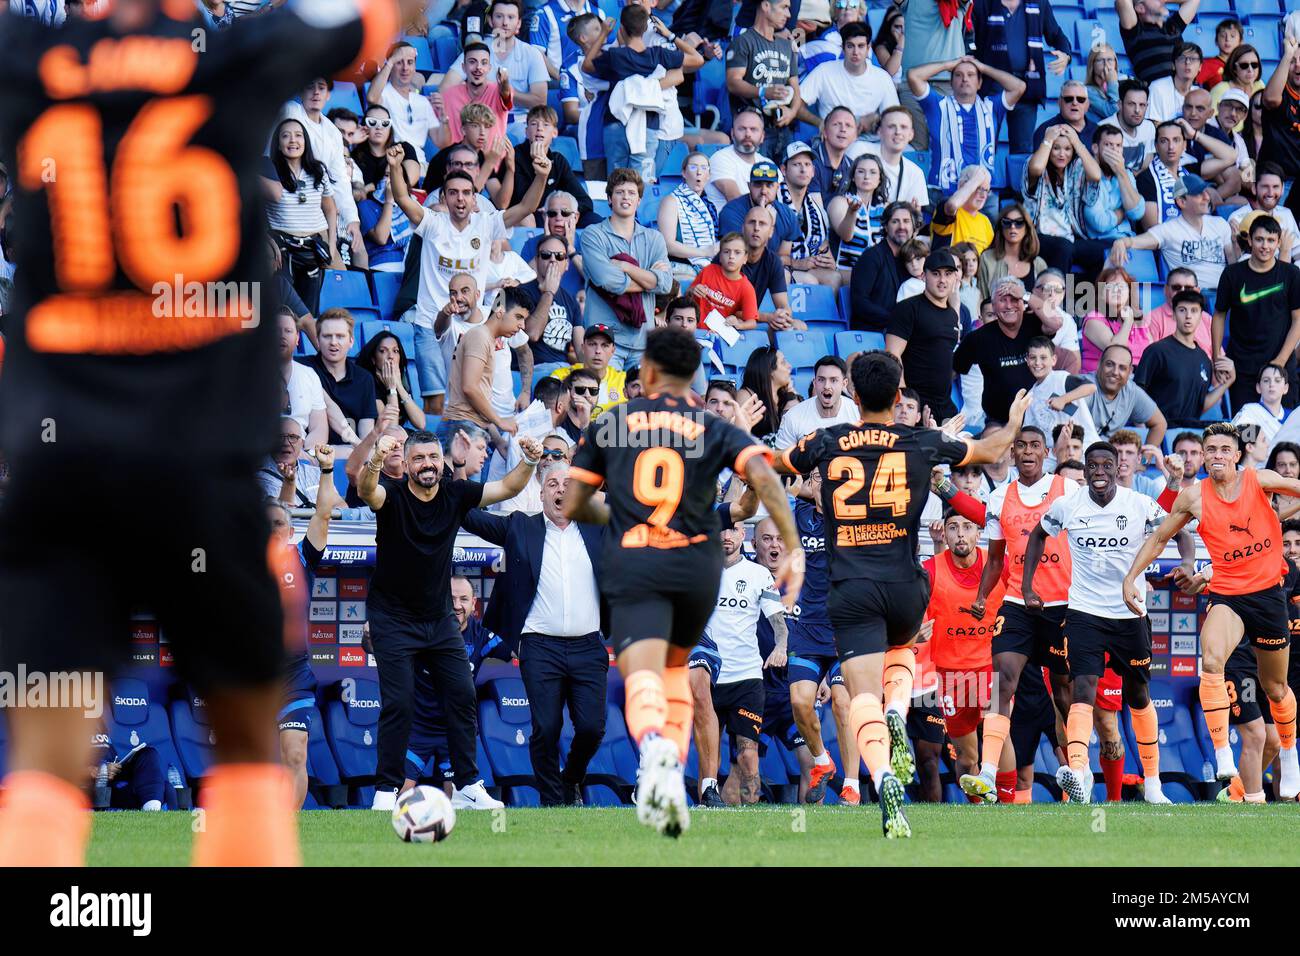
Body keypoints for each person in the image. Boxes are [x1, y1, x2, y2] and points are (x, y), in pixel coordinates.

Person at [0, 0, 398, 869]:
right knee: (252, 738)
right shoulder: (235, 52)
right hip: (200, 460)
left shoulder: (28, 56)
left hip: (61, 462)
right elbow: (377, 20)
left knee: (45, 760)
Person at [776, 351, 1033, 837]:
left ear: (853, 394)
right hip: (905, 583)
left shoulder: (825, 440)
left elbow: (770, 462)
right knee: (899, 657)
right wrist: (1015, 420)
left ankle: (885, 776)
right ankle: (899, 708)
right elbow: (992, 450)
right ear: (898, 398)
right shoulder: (921, 441)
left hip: (850, 587)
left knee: (860, 697)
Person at [563, 327, 803, 837]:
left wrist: (623, 516)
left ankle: (654, 750)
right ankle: (668, 763)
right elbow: (762, 476)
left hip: (636, 563)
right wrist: (792, 542)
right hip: (696, 570)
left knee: (646, 669)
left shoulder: (611, 423)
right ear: (693, 375)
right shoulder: (709, 426)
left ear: (646, 371)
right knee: (677, 669)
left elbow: (576, 502)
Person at [358, 420, 545, 812]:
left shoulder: (455, 494)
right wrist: (376, 457)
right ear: (407, 464)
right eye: (418, 458)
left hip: (438, 616)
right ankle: (387, 790)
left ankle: (467, 785)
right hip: (392, 617)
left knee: (462, 693)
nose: (426, 464)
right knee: (400, 701)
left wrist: (528, 460)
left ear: (443, 463)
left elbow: (508, 488)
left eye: (432, 457)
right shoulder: (391, 495)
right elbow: (365, 490)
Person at [1125, 422, 1300, 800]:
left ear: (1237, 455)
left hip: (1268, 597)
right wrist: (1131, 577)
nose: (1218, 455)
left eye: (1225, 449)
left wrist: (1282, 514)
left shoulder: (1260, 479)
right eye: (1212, 449)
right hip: (1227, 594)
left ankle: (1289, 752)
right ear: (1203, 456)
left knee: (1275, 687)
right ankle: (1223, 754)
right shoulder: (1193, 497)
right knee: (1211, 659)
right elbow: (1159, 537)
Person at [1029, 440, 1192, 803]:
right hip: (1084, 611)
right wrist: (1027, 586)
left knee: (1138, 694)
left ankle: (1153, 784)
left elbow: (1179, 531)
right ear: (1085, 470)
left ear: (1118, 467)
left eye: (1106, 465)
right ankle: (1080, 773)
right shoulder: (1068, 505)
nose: (1099, 472)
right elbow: (1038, 535)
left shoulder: (1137, 504)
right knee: (1082, 689)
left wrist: (1186, 563)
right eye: (1093, 466)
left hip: (1129, 612)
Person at [460, 463, 608, 806]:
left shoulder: (599, 529)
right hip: (540, 646)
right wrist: (455, 477)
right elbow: (468, 516)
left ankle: (571, 778)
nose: (560, 490)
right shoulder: (520, 527)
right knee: (546, 726)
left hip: (588, 645)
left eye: (567, 484)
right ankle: (553, 800)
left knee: (591, 728)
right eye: (552, 483)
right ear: (540, 493)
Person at [959, 425, 1075, 800]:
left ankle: (1077, 771)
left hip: (1061, 604)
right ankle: (989, 772)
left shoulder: (1067, 491)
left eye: (1034, 446)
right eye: (1020, 445)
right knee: (1002, 680)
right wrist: (981, 596)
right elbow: (995, 559)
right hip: (1017, 603)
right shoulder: (999, 498)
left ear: (1046, 453)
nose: (1027, 451)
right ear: (1011, 454)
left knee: (1064, 691)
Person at [689, 521, 787, 806]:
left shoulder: (759, 575)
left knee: (747, 754)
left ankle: (749, 814)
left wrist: (781, 646)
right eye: (720, 529)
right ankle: (708, 808)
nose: (726, 536)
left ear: (743, 533)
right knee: (709, 753)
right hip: (708, 675)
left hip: (747, 676)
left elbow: (779, 624)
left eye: (732, 529)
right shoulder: (699, 571)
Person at [266, 445, 340, 809]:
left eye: (278, 523)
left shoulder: (301, 557)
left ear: (290, 529)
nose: (270, 529)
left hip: (294, 673)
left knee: (295, 754)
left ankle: (288, 828)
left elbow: (324, 513)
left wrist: (327, 470)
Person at [402, 575, 513, 796]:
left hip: (455, 731)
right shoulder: (423, 630)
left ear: (474, 604)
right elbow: (373, 647)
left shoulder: (481, 636)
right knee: (401, 792)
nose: (457, 605)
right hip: (418, 728)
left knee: (456, 796)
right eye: (451, 598)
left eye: (463, 599)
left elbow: (515, 651)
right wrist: (368, 637)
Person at [923, 508, 1005, 789]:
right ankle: (979, 809)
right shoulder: (930, 571)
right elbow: (905, 614)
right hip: (950, 675)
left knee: (998, 731)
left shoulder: (999, 565)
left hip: (991, 667)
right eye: (954, 527)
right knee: (969, 759)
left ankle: (1011, 803)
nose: (961, 534)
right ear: (943, 534)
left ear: (980, 533)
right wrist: (914, 632)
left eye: (968, 527)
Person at [583, 6, 697, 183]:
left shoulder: (616, 56)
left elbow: (587, 65)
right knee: (641, 185)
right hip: (648, 126)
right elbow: (697, 59)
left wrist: (604, 33)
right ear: (645, 29)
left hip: (616, 123)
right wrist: (669, 35)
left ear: (622, 28)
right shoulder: (659, 54)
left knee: (616, 184)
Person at [579, 167, 673, 369]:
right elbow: (607, 280)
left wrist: (626, 268)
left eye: (632, 193)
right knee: (606, 401)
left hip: (642, 341)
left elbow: (666, 285)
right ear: (610, 199)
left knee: (636, 401)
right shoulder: (592, 235)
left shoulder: (654, 238)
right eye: (619, 192)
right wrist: (650, 280)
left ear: (639, 201)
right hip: (603, 341)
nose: (625, 197)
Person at [908, 55, 1025, 209]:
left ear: (979, 83)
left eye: (971, 75)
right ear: (951, 82)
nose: (964, 79)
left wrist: (983, 67)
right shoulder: (937, 105)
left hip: (982, 195)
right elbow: (913, 76)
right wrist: (947, 64)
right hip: (943, 193)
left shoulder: (992, 107)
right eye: (958, 75)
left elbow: (1019, 86)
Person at [1213, 214, 1300, 413]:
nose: (1265, 246)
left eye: (1271, 241)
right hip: (1242, 369)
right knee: (1247, 433)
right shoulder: (1232, 274)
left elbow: (1298, 320)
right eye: (1259, 239)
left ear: (1278, 243)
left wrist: (1280, 360)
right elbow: (1219, 315)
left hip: (1281, 367)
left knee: (1282, 433)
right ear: (1250, 240)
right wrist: (1216, 355)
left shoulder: (1291, 274)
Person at [954, 276, 1060, 425]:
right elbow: (954, 369)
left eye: (1015, 299)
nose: (1009, 306)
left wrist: (1025, 294)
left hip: (1039, 418)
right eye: (1003, 300)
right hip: (998, 422)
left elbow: (1056, 322)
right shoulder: (978, 338)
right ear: (993, 305)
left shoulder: (1035, 323)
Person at [970, 0, 1073, 154]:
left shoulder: (1039, 3)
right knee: (985, 147)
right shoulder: (983, 3)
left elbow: (1056, 34)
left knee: (1022, 152)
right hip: (991, 86)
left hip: (1028, 86)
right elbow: (969, 37)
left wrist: (1065, 54)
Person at [1111, 173, 1235, 298]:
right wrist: (1121, 242)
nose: (1207, 197)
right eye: (1199, 194)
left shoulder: (1220, 223)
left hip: (1227, 294)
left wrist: (1236, 242)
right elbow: (1136, 241)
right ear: (1182, 201)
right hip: (1194, 299)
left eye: (1206, 192)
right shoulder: (1169, 230)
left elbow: (1233, 262)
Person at [442, 0, 550, 141]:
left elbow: (540, 101)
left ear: (519, 24)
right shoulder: (476, 51)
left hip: (518, 123)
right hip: (482, 122)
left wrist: (503, 93)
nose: (505, 23)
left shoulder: (532, 54)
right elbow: (445, 88)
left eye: (511, 17)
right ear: (490, 21)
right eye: (499, 16)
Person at [263, 117, 340, 315]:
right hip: (283, 245)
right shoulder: (270, 170)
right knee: (285, 305)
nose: (293, 141)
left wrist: (331, 244)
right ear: (278, 144)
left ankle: (304, 345)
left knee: (309, 310)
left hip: (314, 245)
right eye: (286, 136)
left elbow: (330, 208)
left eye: (298, 135)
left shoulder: (318, 170)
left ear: (306, 141)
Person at [1136, 290, 1235, 428]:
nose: (1188, 316)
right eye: (1182, 310)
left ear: (1201, 316)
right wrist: (1145, 432)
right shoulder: (1157, 351)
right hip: (1159, 431)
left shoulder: (1204, 360)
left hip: (1189, 436)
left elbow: (1200, 406)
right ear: (1174, 315)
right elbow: (1136, 394)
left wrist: (1227, 383)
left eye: (1194, 311)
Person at [886, 249, 963, 421]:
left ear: (955, 278)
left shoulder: (952, 314)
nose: (942, 280)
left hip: (945, 406)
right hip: (917, 405)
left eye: (948, 274)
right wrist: (905, 399)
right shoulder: (907, 308)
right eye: (936, 273)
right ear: (923, 276)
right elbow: (892, 354)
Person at [726, 0, 802, 160]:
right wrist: (763, 92)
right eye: (784, 8)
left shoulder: (786, 46)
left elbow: (795, 86)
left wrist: (792, 111)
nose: (788, 14)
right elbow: (733, 83)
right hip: (752, 130)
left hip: (783, 128)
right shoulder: (742, 42)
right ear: (766, 6)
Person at [1024, 123, 1100, 273]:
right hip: (1038, 236)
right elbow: (1037, 168)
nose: (1061, 154)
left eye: (1067, 149)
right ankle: (1057, 294)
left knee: (1098, 253)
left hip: (1070, 237)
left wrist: (1077, 142)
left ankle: (1086, 296)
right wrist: (1048, 139)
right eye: (1056, 148)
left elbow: (1096, 175)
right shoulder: (1035, 162)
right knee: (1063, 248)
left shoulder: (1077, 167)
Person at [796, 21, 898, 129]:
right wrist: (821, 124)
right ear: (843, 48)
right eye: (850, 46)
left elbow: (895, 117)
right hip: (831, 139)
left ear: (868, 48)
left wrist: (876, 118)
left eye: (861, 46)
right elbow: (797, 106)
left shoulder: (882, 77)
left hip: (869, 140)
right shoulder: (824, 71)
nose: (856, 52)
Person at [300, 309, 376, 446]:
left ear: (351, 341)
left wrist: (363, 452)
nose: (333, 342)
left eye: (340, 336)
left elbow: (366, 433)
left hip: (351, 454)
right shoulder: (303, 368)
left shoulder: (364, 378)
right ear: (317, 340)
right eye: (327, 336)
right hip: (310, 453)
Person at [521, 235, 584, 377]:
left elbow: (581, 351)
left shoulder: (571, 301)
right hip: (536, 371)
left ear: (567, 264)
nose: (553, 260)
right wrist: (548, 293)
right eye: (546, 255)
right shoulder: (522, 292)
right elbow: (532, 334)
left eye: (560, 256)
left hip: (565, 371)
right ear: (536, 261)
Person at [849, 201, 918, 330]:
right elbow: (859, 303)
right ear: (886, 227)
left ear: (913, 227)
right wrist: (896, 319)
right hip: (872, 333)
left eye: (906, 221)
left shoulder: (913, 262)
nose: (901, 226)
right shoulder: (871, 256)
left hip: (902, 333)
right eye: (895, 221)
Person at [782, 143, 841, 288]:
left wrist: (828, 262)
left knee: (834, 277)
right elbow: (762, 254)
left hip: (805, 266)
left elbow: (823, 247)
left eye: (807, 164)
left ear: (813, 171)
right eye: (796, 164)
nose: (803, 169)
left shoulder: (816, 209)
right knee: (809, 281)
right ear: (784, 170)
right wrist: (796, 263)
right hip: (778, 269)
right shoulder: (774, 202)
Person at [856, 105, 932, 216]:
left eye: (903, 127)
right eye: (891, 126)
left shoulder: (915, 173)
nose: (898, 132)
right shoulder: (859, 150)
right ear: (879, 131)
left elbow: (914, 221)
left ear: (911, 135)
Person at [1084, 343, 1167, 445]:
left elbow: (1160, 424)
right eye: (1109, 364)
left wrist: (1144, 460)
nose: (1115, 372)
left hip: (1109, 456)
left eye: (1122, 368)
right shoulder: (1084, 385)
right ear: (1099, 364)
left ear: (1130, 371)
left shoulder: (1131, 391)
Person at [1081, 124, 1148, 246]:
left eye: (1118, 146)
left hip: (1127, 241)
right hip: (1099, 244)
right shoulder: (1088, 174)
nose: (1114, 150)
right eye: (1108, 145)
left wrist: (1121, 173)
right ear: (1095, 148)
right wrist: (1123, 212)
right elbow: (1100, 223)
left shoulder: (1126, 173)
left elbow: (1137, 213)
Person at [659, 150, 720, 279]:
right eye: (693, 167)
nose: (699, 172)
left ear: (708, 175)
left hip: (707, 267)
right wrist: (704, 252)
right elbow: (668, 245)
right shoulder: (671, 201)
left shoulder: (709, 206)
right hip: (680, 267)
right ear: (684, 173)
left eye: (704, 168)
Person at [774, 355, 858, 448]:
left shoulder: (857, 412)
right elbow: (779, 458)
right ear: (814, 382)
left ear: (844, 384)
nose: (826, 386)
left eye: (833, 380)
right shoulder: (793, 416)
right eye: (821, 380)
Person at [828, 154, 889, 276]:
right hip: (847, 271)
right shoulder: (839, 202)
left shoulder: (885, 207)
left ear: (880, 179)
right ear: (853, 177)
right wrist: (852, 212)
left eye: (873, 172)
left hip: (879, 272)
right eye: (861, 172)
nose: (867, 177)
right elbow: (846, 236)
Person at [1259, 36, 1300, 213]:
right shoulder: (1280, 93)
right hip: (1278, 182)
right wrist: (1287, 55)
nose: (1298, 66)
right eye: (1292, 62)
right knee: (1274, 230)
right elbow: (1269, 99)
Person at [704, 108, 776, 209]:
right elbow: (736, 201)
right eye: (742, 129)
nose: (748, 134)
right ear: (732, 133)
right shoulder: (720, 159)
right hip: (731, 223)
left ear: (762, 136)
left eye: (753, 129)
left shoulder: (768, 164)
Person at [1081, 267, 1149, 372]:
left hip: (1137, 377)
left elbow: (1152, 351)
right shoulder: (1093, 318)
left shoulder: (1140, 318)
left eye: (1122, 286)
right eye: (1111, 286)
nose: (1116, 290)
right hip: (1101, 379)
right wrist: (1128, 321)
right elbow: (1116, 352)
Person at [1229, 165, 1300, 265]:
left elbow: (1298, 253)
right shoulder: (1237, 218)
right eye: (1265, 187)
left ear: (1283, 189)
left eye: (1275, 187)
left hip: (1286, 275)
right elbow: (1240, 263)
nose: (1270, 193)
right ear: (1254, 188)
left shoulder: (1286, 214)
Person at [550, 323, 628, 414]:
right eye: (592, 344)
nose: (598, 351)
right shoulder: (561, 377)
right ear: (583, 348)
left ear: (613, 351)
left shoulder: (624, 381)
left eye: (605, 345)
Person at [977, 203, 1047, 302]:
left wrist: (1024, 295)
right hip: (996, 316)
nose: (1013, 227)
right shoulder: (987, 259)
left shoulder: (1039, 264)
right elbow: (983, 300)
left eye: (1019, 222)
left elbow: (1046, 305)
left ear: (1027, 228)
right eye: (1007, 222)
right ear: (1001, 227)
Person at [1116, 0, 1197, 85]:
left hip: (1184, 91)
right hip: (1158, 93)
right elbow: (1122, 2)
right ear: (1140, 8)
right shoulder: (1136, 32)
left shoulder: (1172, 26)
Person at [689, 233, 760, 329]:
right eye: (726, 252)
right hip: (694, 328)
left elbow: (752, 322)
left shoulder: (746, 288)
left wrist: (739, 324)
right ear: (720, 256)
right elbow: (687, 294)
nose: (731, 256)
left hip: (719, 334)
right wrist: (693, 290)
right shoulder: (708, 270)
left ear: (745, 258)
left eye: (737, 252)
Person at [931, 165, 994, 254]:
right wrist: (975, 180)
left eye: (986, 190)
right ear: (961, 186)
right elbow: (952, 205)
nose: (983, 196)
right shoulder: (951, 210)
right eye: (978, 188)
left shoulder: (985, 222)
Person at [1098, 79, 1156, 175]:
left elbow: (1148, 162)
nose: (1137, 110)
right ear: (1120, 105)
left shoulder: (1149, 127)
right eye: (1131, 104)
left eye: (1142, 105)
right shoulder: (1103, 129)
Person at [1029, 80, 1100, 153]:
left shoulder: (1098, 131)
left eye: (1081, 99)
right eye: (1068, 99)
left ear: (1087, 104)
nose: (1075, 103)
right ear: (1059, 102)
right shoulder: (1045, 130)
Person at [1233, 365, 1294, 446]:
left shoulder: (1293, 417)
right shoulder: (1250, 412)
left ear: (1285, 388)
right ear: (1258, 387)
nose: (1271, 384)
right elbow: (1239, 442)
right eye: (1266, 380)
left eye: (1277, 380)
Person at [1199, 16, 1242, 89]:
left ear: (1241, 41)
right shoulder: (1207, 65)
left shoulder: (1245, 65)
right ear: (1216, 41)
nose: (1227, 39)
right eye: (1223, 36)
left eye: (1232, 36)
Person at [1085, 45, 1122, 127]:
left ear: (1115, 63)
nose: (1106, 64)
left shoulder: (1122, 86)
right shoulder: (1087, 91)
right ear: (1092, 65)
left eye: (1110, 60)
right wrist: (1112, 82)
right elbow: (1114, 113)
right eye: (1100, 60)